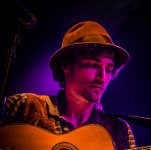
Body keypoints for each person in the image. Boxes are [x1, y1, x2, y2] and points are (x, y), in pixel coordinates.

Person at [0, 21, 136, 149]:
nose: (103, 77)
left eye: (108, 69)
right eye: (93, 65)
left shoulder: (118, 131)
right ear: (66, 64)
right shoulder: (23, 106)